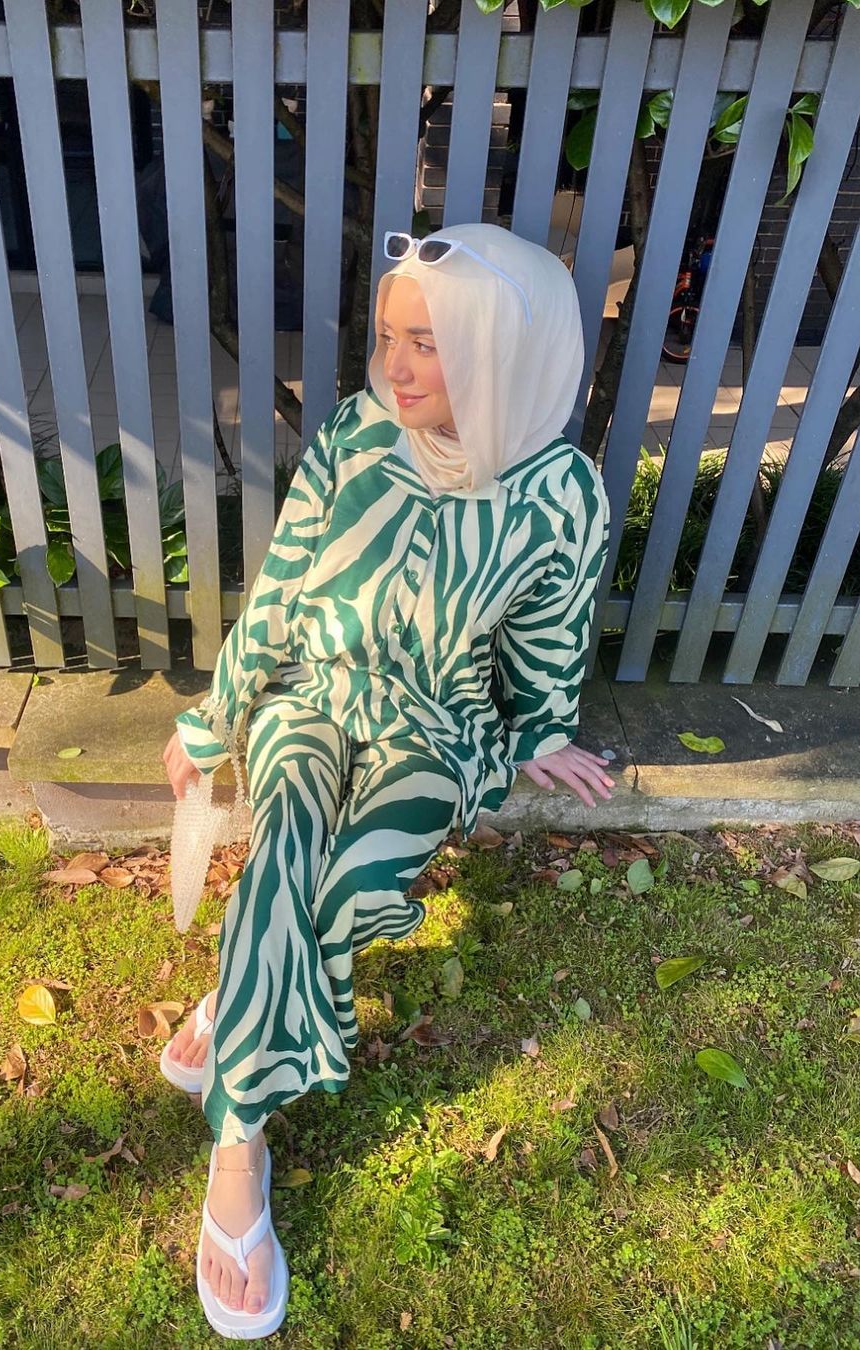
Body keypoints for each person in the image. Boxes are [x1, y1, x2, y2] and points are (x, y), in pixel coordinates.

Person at [160, 221, 614, 1339]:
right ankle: (238, 1148)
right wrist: (215, 722)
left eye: (428, 343)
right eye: (387, 337)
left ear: (503, 354)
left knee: (354, 881)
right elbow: (281, 589)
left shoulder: (562, 494)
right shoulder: (356, 437)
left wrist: (539, 732)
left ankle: (235, 1000)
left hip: (436, 725)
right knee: (286, 851)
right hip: (310, 694)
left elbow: (549, 634)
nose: (395, 368)